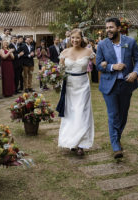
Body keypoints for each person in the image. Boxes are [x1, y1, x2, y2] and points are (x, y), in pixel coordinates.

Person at [96, 17, 138, 159]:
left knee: (123, 115)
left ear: (119, 28)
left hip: (126, 84)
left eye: (111, 27)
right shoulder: (102, 45)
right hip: (109, 85)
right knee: (113, 115)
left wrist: (135, 72)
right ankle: (116, 146)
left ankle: (117, 137)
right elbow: (98, 65)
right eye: (107, 28)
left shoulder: (130, 42)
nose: (108, 30)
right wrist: (112, 66)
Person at [56, 28, 95, 156]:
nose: (75, 40)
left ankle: (81, 144)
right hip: (69, 85)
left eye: (77, 38)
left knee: (81, 113)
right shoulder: (64, 52)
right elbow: (59, 69)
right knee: (71, 113)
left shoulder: (89, 52)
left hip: (83, 85)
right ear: (69, 39)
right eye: (73, 38)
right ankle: (71, 141)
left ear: (82, 38)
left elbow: (99, 65)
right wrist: (52, 75)